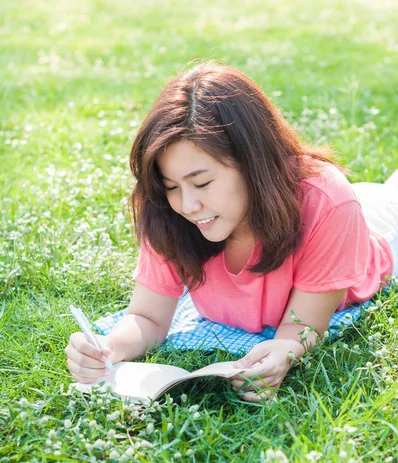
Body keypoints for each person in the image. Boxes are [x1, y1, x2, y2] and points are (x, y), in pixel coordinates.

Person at [65, 60, 398, 402]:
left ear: (254, 162)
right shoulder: (168, 211)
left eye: (202, 182)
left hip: (377, 229)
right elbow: (148, 316)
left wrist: (284, 352)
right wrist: (107, 348)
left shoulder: (328, 203)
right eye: (172, 185)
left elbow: (301, 328)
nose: (188, 205)